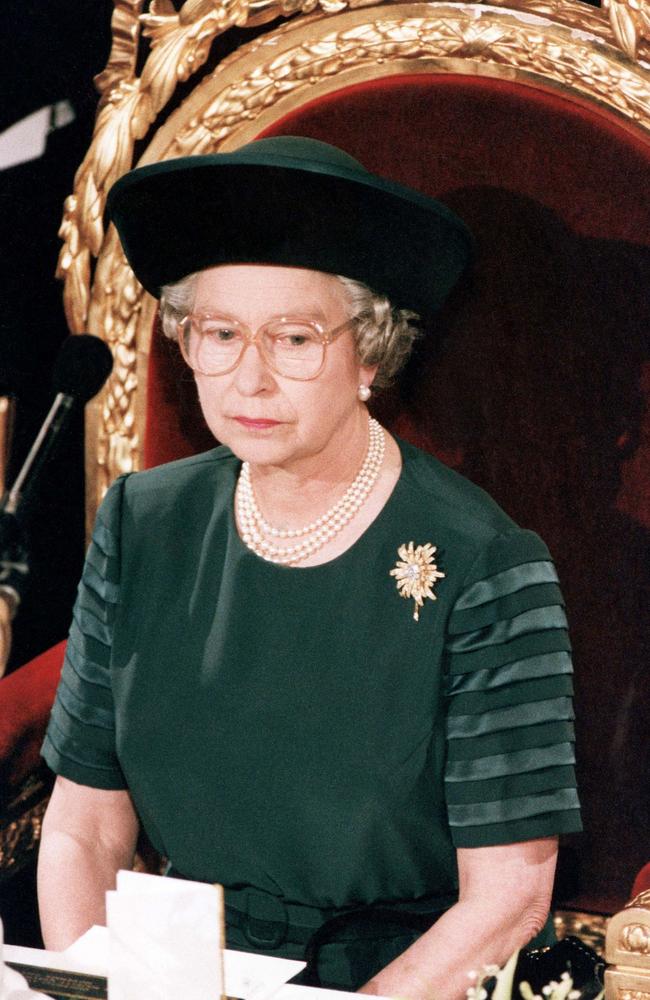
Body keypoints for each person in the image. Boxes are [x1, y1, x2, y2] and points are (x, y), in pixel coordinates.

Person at [37, 137, 581, 999]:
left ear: (370, 355)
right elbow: (83, 830)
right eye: (220, 334)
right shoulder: (143, 522)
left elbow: (508, 897)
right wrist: (94, 983)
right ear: (185, 344)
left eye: (293, 337)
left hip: (399, 980)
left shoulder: (487, 564)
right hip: (178, 971)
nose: (250, 378)